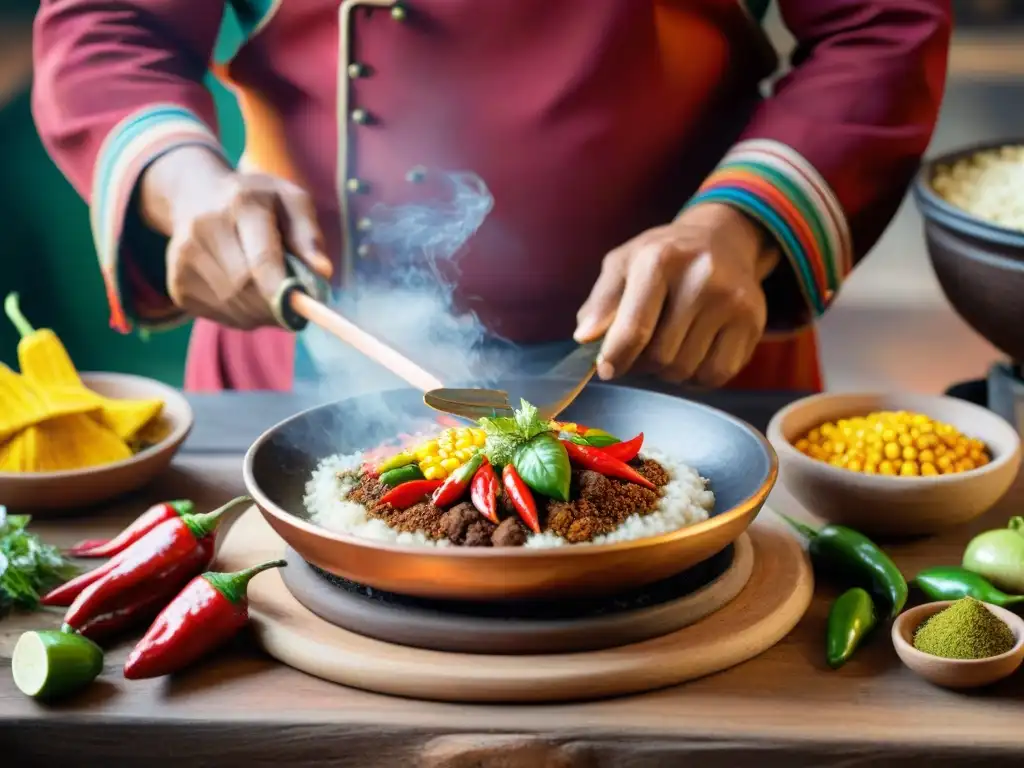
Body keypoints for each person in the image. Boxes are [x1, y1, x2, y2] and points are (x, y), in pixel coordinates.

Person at [32, 0, 951, 393]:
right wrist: (185, 182)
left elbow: (882, 23)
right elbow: (107, 21)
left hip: (691, 345)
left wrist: (741, 227)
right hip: (293, 355)